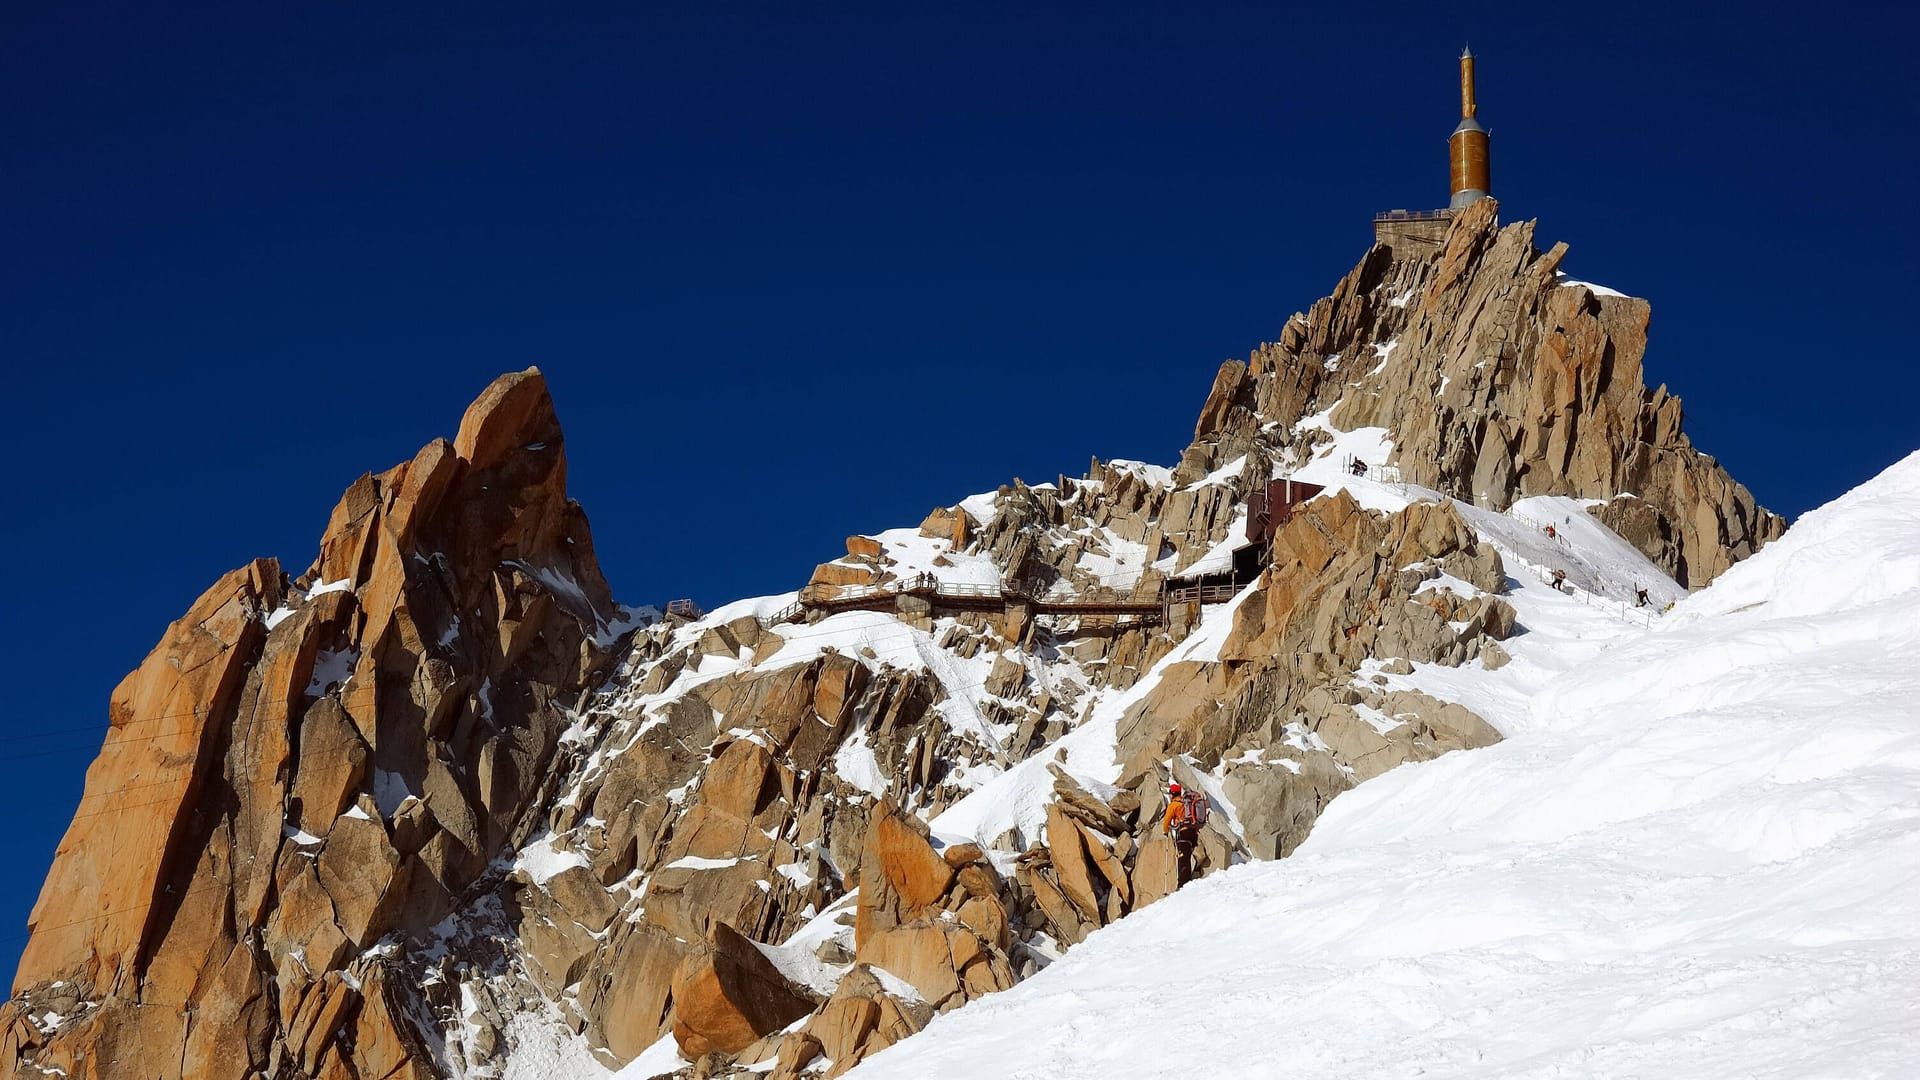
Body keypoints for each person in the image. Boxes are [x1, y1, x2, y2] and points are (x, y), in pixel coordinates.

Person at [1161, 781, 1211, 886]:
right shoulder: (1185, 803)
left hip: (1184, 833)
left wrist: (1165, 831)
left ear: (1172, 794)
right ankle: (1186, 880)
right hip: (1193, 833)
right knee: (1187, 856)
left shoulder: (1173, 805)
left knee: (1182, 857)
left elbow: (1166, 821)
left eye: (1170, 793)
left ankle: (1183, 883)